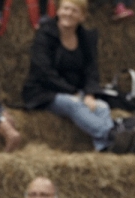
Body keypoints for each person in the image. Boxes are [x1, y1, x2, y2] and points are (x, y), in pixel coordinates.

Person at [21, 0, 116, 152]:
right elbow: (43, 72)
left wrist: (90, 94)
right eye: (65, 9)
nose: (69, 13)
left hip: (75, 91)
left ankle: (105, 148)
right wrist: (73, 92)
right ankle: (113, 135)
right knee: (73, 104)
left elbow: (91, 69)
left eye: (74, 10)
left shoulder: (85, 38)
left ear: (82, 17)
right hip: (44, 92)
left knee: (102, 107)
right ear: (58, 11)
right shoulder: (45, 35)